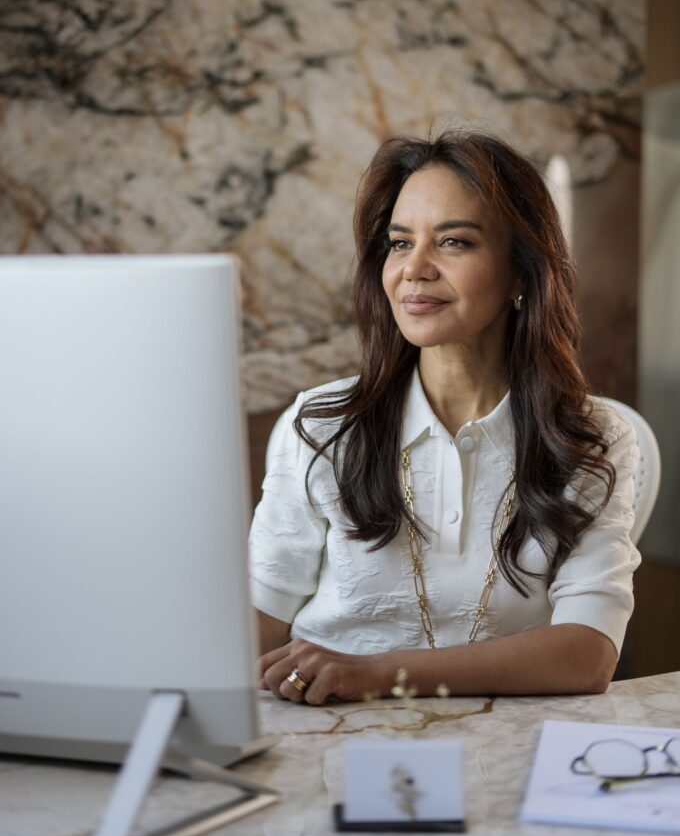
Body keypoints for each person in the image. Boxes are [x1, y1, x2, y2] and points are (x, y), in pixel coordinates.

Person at [249, 129, 641, 705]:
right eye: (400, 242)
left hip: (505, 752)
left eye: (454, 242)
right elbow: (257, 620)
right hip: (320, 734)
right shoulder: (321, 425)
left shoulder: (591, 438)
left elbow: (587, 652)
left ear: (520, 273)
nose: (414, 268)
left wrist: (378, 674)